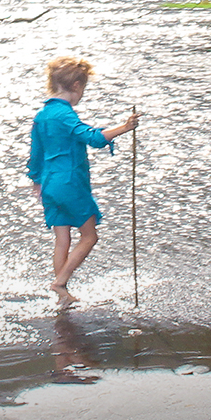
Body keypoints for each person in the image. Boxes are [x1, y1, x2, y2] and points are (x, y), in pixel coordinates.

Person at [27, 56, 138, 308]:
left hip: (50, 185)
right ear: (76, 86)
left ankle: (62, 298)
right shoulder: (65, 115)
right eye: (83, 89)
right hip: (70, 184)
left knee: (62, 238)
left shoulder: (43, 114)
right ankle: (60, 283)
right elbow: (93, 137)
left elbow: (36, 153)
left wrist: (36, 180)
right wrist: (125, 127)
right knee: (89, 236)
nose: (82, 95)